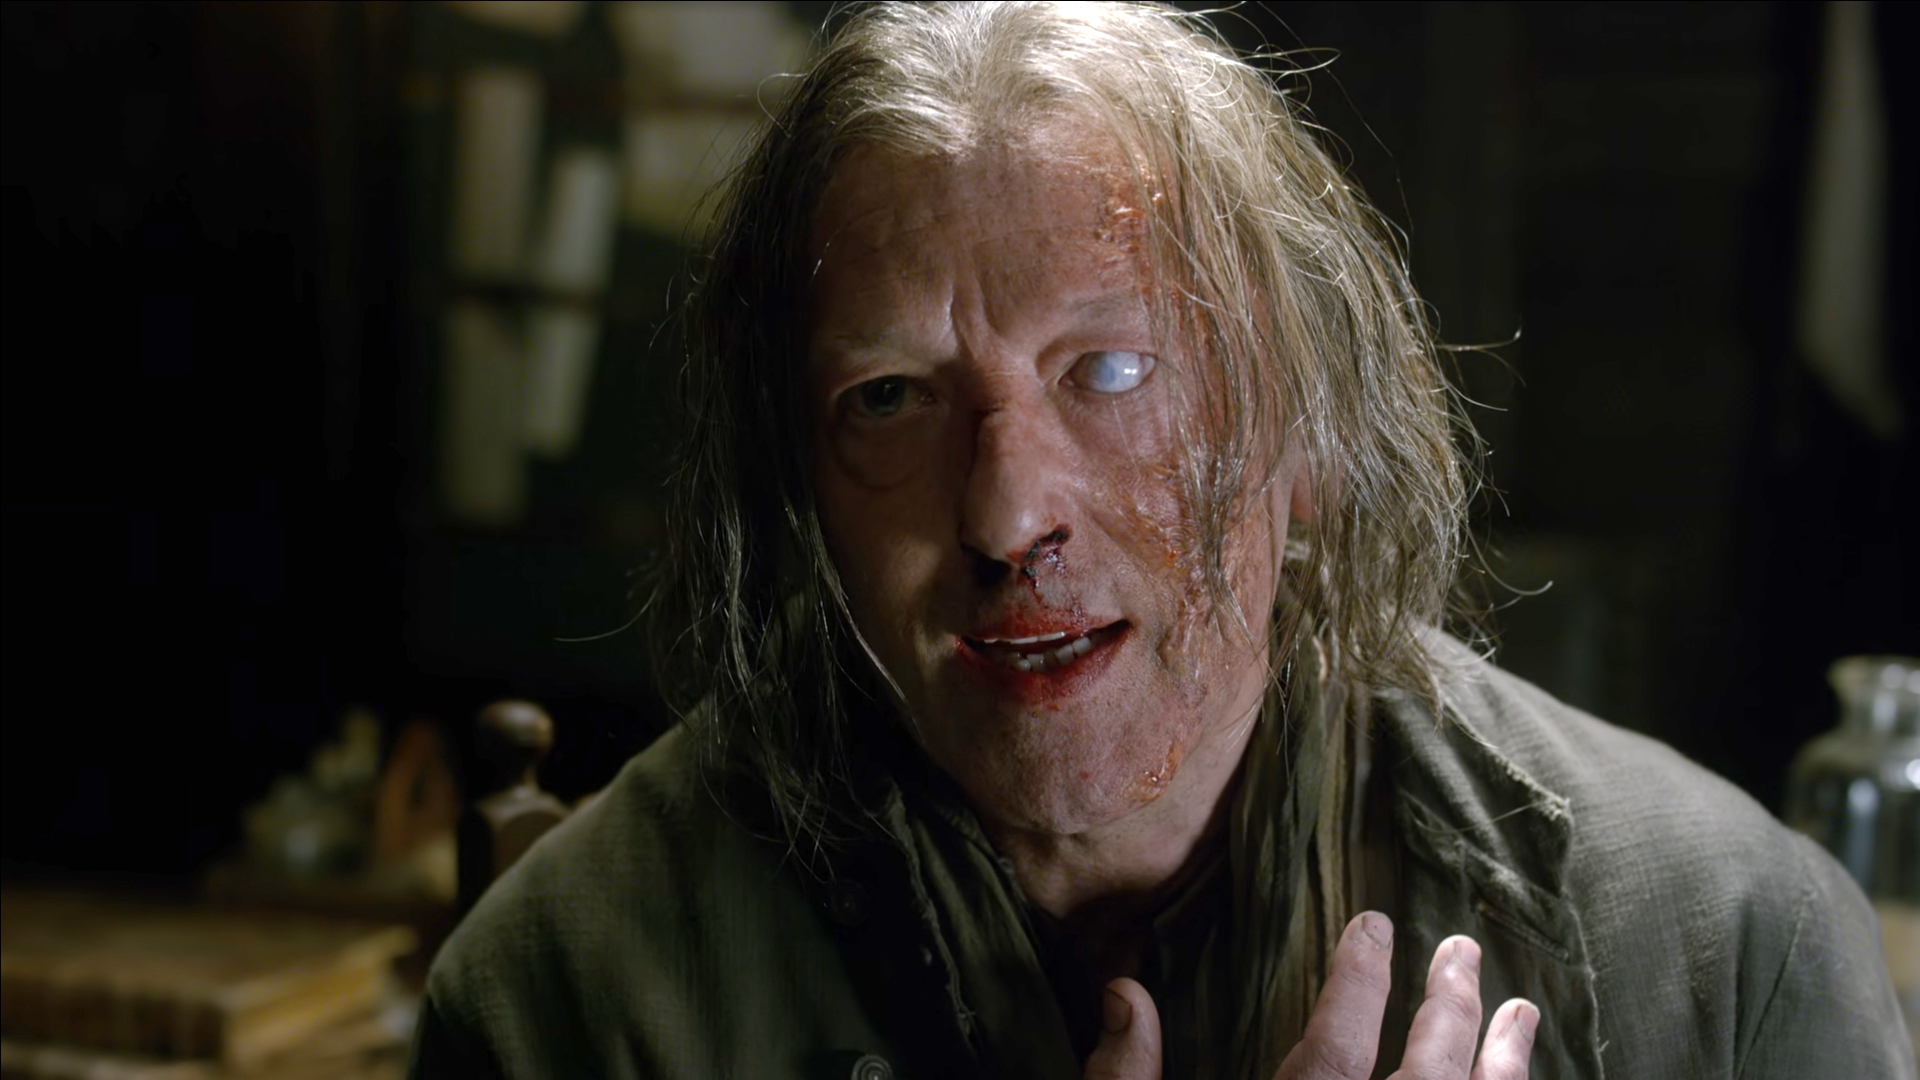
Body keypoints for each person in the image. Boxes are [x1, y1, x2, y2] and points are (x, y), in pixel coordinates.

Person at [409, 4, 1915, 1078]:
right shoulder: (569, 991)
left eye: (1112, 369)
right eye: (889, 398)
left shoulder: (1726, 951)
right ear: (800, 493)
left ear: (1306, 432)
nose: (1007, 513)